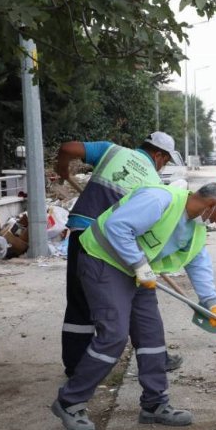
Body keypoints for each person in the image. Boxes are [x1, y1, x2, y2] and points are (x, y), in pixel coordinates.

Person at [51, 182, 216, 430]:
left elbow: (198, 262)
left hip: (139, 272)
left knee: (151, 338)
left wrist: (214, 303)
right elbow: (117, 227)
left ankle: (155, 404)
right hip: (104, 262)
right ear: (212, 205)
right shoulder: (160, 199)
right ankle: (69, 402)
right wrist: (138, 263)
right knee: (114, 336)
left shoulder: (195, 228)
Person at [55, 132, 183, 378]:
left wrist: (62, 168)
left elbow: (68, 147)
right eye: (165, 161)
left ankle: (74, 365)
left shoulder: (111, 150)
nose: (163, 166)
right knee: (136, 299)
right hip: (110, 244)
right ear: (158, 154)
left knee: (79, 302)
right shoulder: (153, 182)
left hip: (82, 230)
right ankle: (156, 357)